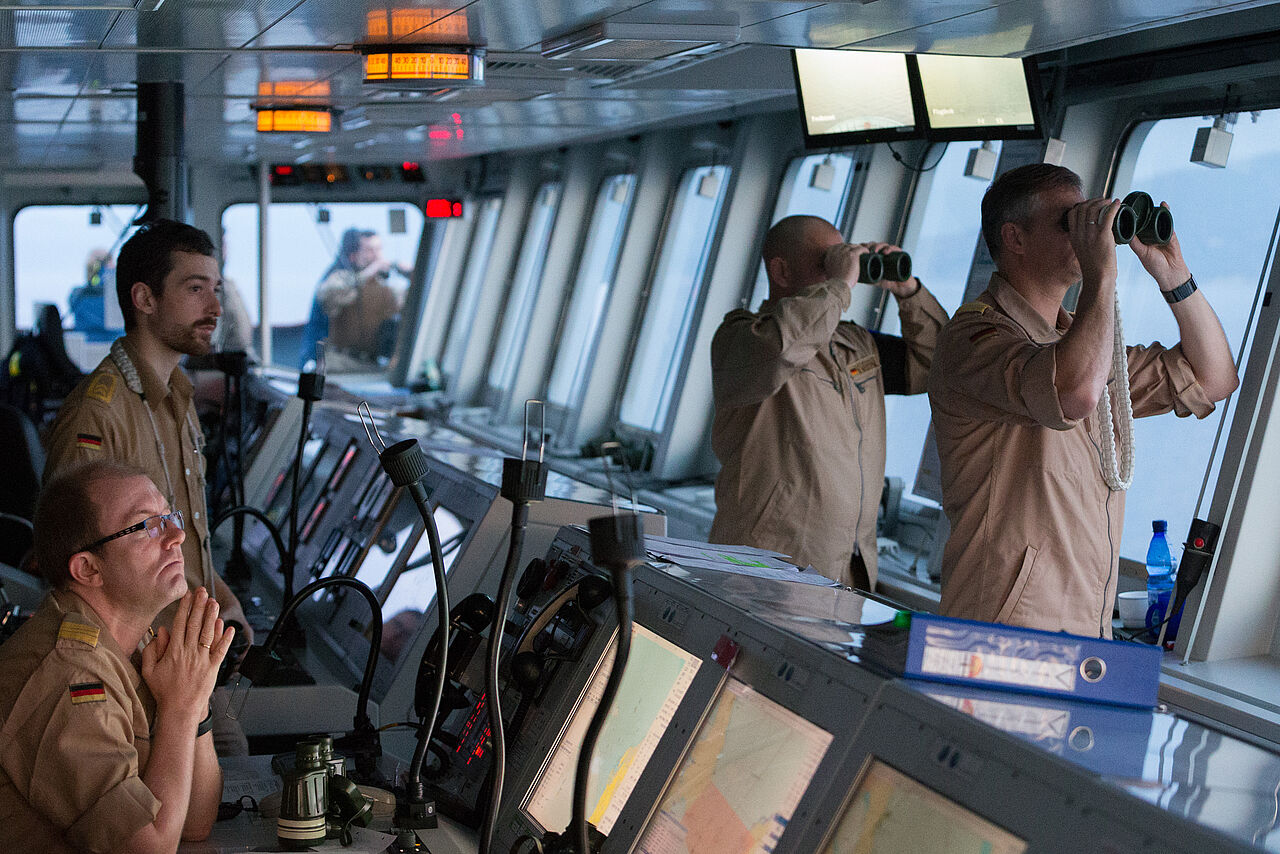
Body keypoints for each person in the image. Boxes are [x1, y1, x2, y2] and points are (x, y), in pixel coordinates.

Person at [927, 164, 1239, 637]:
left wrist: (1173, 275)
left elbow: (1213, 378)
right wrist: (1101, 274)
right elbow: (1073, 392)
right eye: (1067, 221)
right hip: (1002, 625)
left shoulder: (1083, 344)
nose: (1085, 232)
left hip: (1084, 626)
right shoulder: (973, 337)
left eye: (1087, 218)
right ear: (1015, 238)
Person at [0, 460, 234, 854]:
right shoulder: (69, 675)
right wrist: (180, 707)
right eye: (146, 526)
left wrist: (194, 702)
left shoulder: (132, 645)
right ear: (88, 569)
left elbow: (194, 823)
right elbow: (150, 850)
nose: (176, 535)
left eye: (168, 516)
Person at [708, 215, 949, 589]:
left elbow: (940, 366)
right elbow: (783, 348)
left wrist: (909, 292)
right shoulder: (742, 338)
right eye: (828, 261)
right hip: (766, 564)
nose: (843, 269)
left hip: (847, 568)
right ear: (780, 271)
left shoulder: (856, 344)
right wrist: (838, 286)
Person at [44, 219, 252, 646]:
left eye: (216, 289)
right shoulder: (97, 416)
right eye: (196, 289)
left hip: (189, 648)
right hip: (143, 660)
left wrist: (225, 602)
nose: (215, 308)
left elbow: (188, 538)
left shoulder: (180, 398)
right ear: (144, 299)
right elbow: (75, 575)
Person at [298, 227, 411, 372]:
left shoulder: (384, 288)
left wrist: (410, 273)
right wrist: (368, 273)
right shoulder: (340, 278)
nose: (376, 256)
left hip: (371, 364)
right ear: (355, 254)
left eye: (378, 250)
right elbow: (329, 294)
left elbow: (410, 302)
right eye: (369, 250)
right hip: (340, 363)